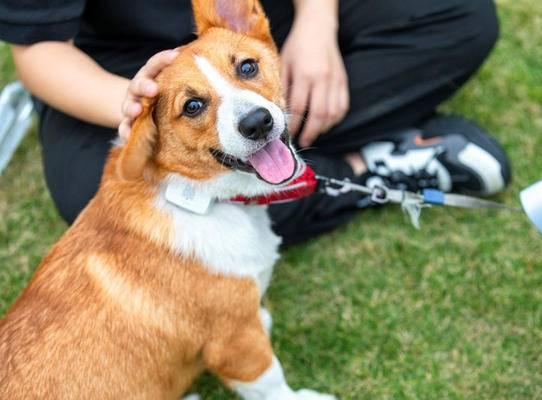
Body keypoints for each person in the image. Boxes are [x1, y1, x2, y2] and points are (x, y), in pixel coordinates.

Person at [0, 0, 510, 245]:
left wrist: (317, 23)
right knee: (101, 201)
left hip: (249, 21)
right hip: (121, 68)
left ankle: (272, 170)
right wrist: (134, 104)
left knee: (461, 18)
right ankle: (359, 169)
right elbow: (40, 50)